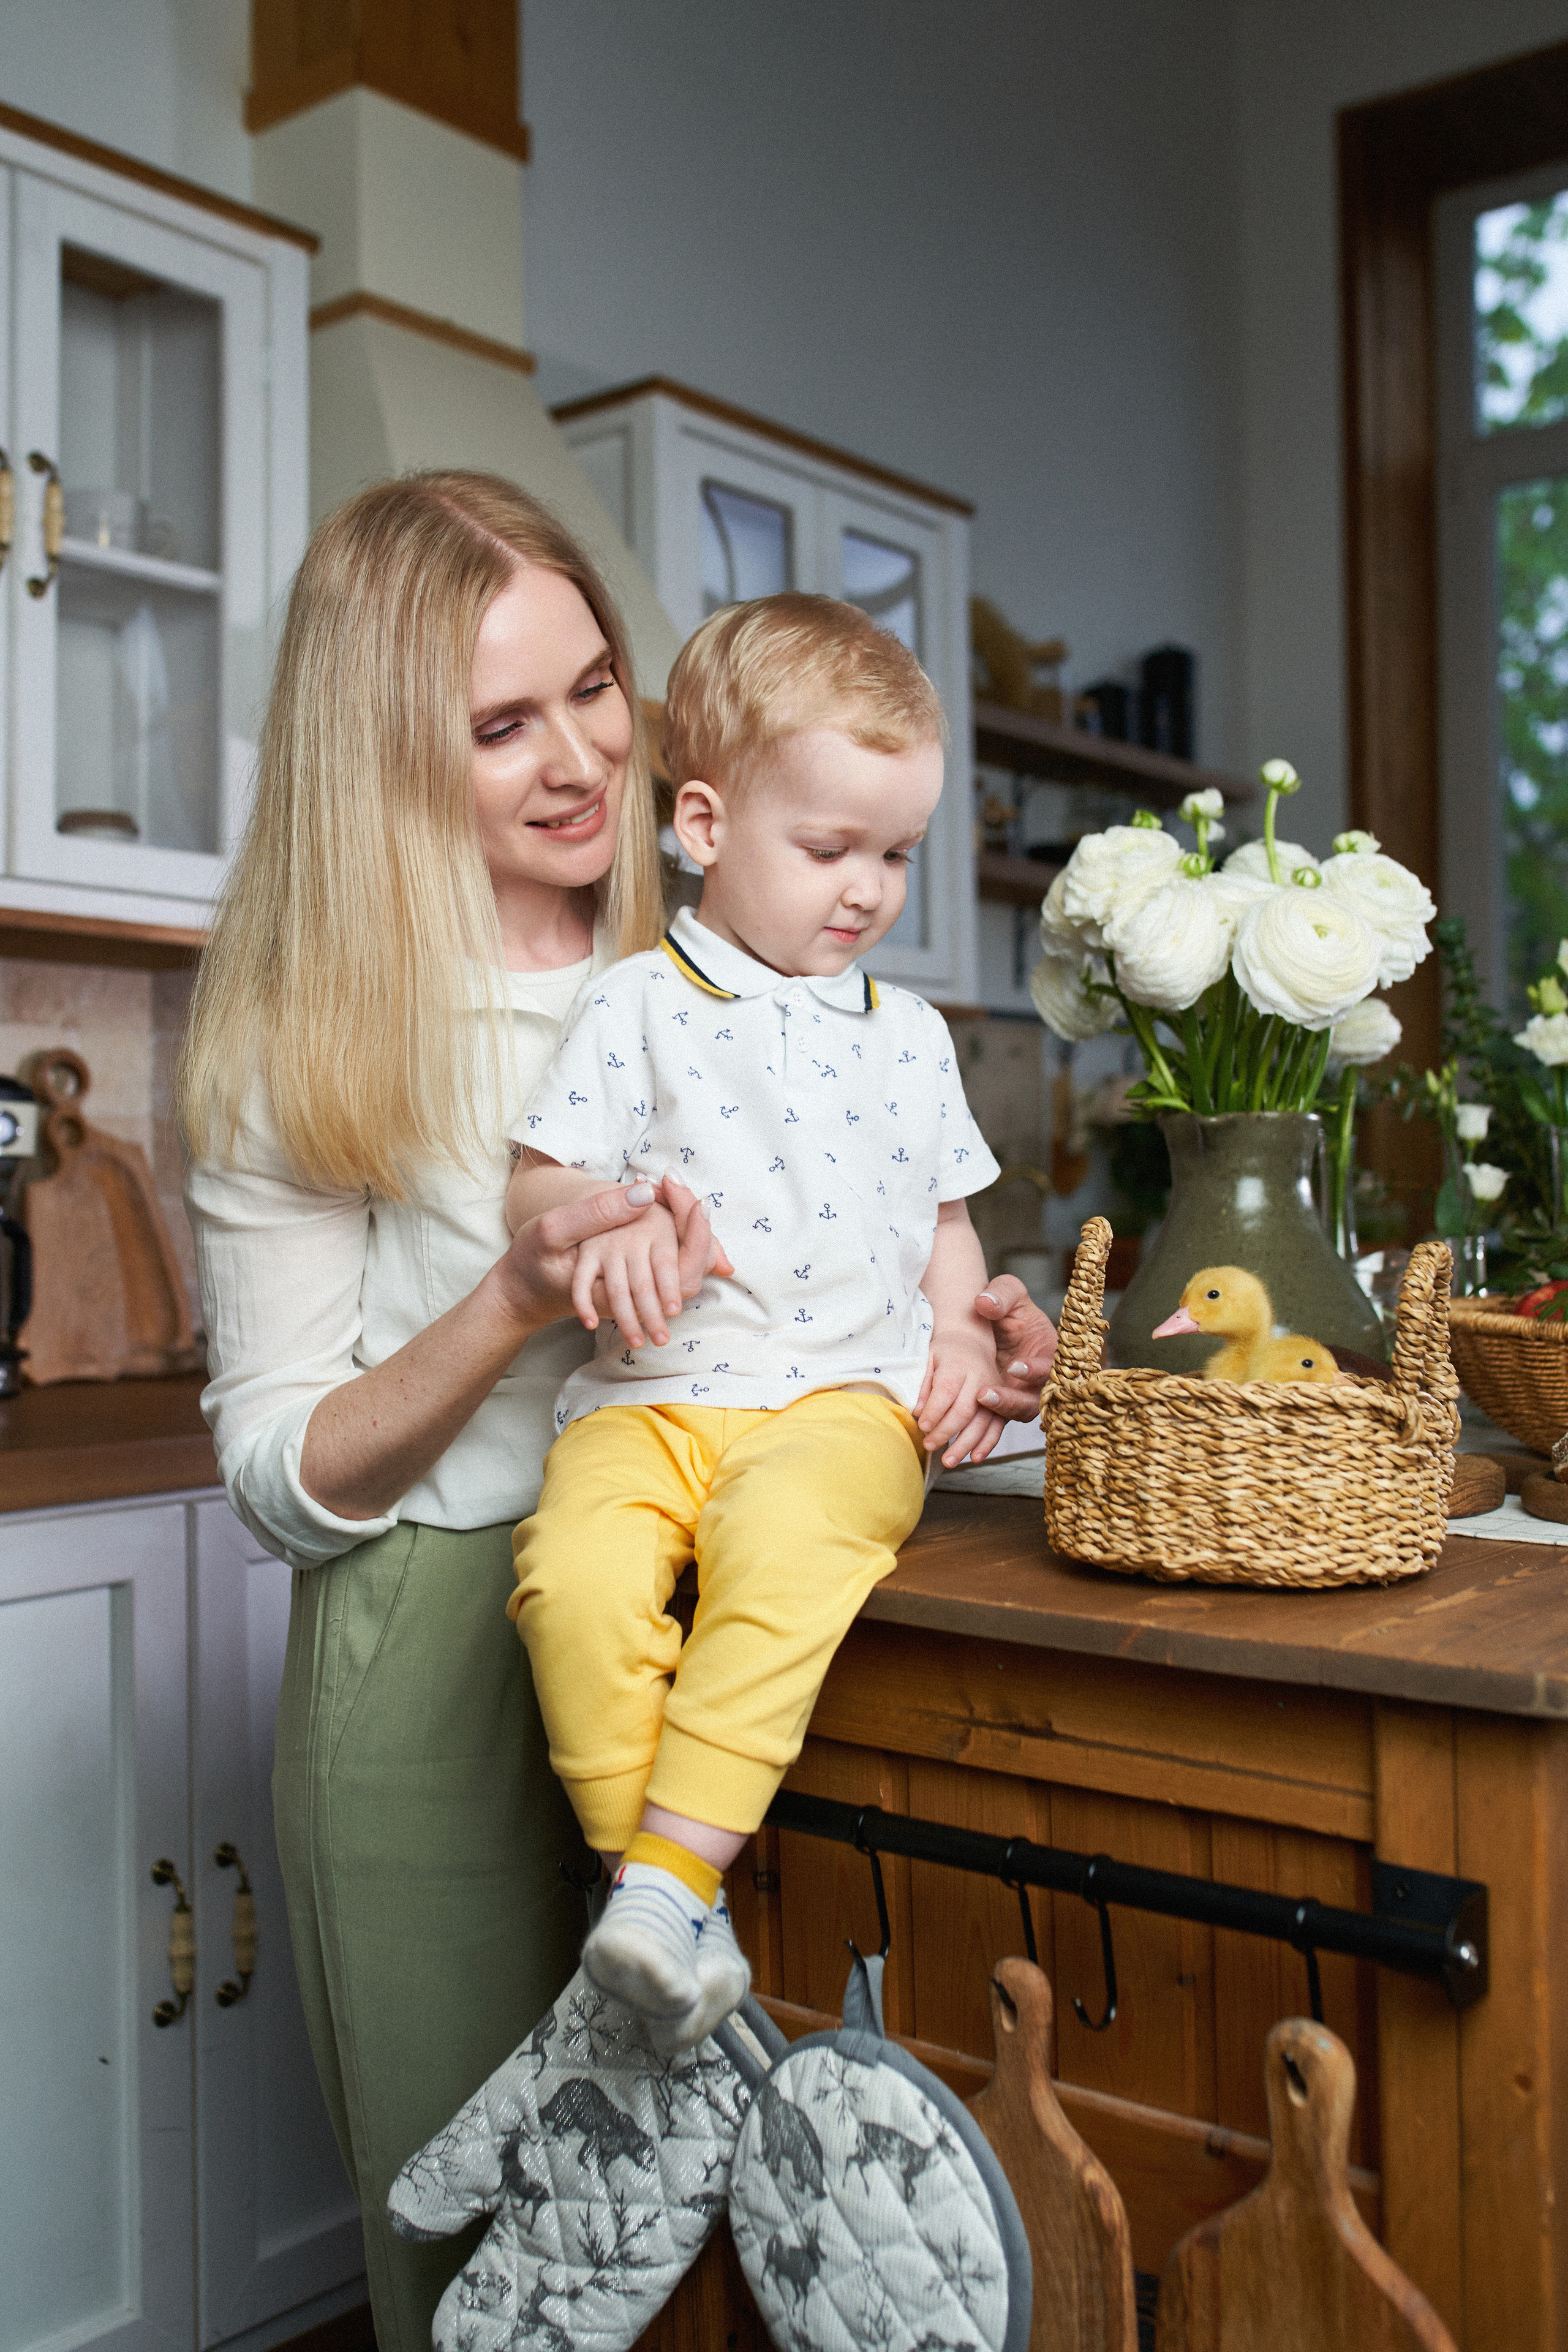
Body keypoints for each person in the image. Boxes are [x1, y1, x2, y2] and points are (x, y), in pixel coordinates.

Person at [179, 482, 1056, 2350]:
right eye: (503, 725)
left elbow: (885, 1229)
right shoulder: (309, 1032)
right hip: (429, 1650)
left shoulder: (756, 963)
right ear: (382, 753)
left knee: (721, 2247)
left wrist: (958, 1321)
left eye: (597, 690)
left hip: (721, 1623)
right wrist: (512, 1294)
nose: (579, 757)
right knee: (485, 2284)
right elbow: (276, 1477)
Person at [505, 594, 1010, 2052]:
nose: (866, 890)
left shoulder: (909, 1037)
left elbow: (944, 1223)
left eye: (896, 855)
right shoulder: (634, 1004)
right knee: (571, 1580)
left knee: (787, 1561)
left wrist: (963, 1343)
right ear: (706, 827)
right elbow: (541, 1176)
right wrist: (590, 1231)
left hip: (843, 1403)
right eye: (829, 848)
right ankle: (664, 1901)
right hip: (645, 1397)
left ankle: (660, 1882)